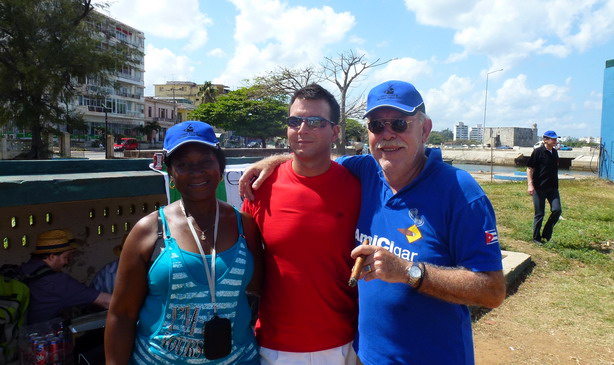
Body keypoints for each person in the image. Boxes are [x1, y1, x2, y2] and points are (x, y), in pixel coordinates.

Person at [240, 80, 506, 365]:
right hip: (363, 356)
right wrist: (274, 160)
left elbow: (492, 291)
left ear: (425, 129)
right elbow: (313, 158)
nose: (387, 135)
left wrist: (408, 272)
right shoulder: (364, 171)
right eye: (377, 125)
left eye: (399, 124)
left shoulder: (459, 191)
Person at [105, 121, 263, 364]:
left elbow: (255, 289)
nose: (196, 171)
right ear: (171, 173)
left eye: (206, 162)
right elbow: (122, 315)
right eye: (184, 165)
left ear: (220, 169)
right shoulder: (149, 231)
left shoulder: (245, 226)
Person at [241, 84, 361, 365]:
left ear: (335, 131)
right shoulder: (261, 186)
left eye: (316, 122)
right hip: (273, 346)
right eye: (295, 121)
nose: (302, 129)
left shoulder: (359, 185)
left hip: (343, 344)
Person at [20, 229, 111, 324]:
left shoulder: (25, 269)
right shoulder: (57, 282)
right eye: (65, 257)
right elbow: (107, 301)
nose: (67, 262)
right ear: (52, 257)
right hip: (41, 336)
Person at [527, 130, 562, 244]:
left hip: (552, 188)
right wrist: (530, 184)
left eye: (556, 139)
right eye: (553, 139)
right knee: (540, 213)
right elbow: (529, 168)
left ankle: (546, 234)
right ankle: (536, 238)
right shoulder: (538, 152)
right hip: (539, 187)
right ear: (545, 140)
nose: (555, 141)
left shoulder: (555, 153)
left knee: (557, 210)